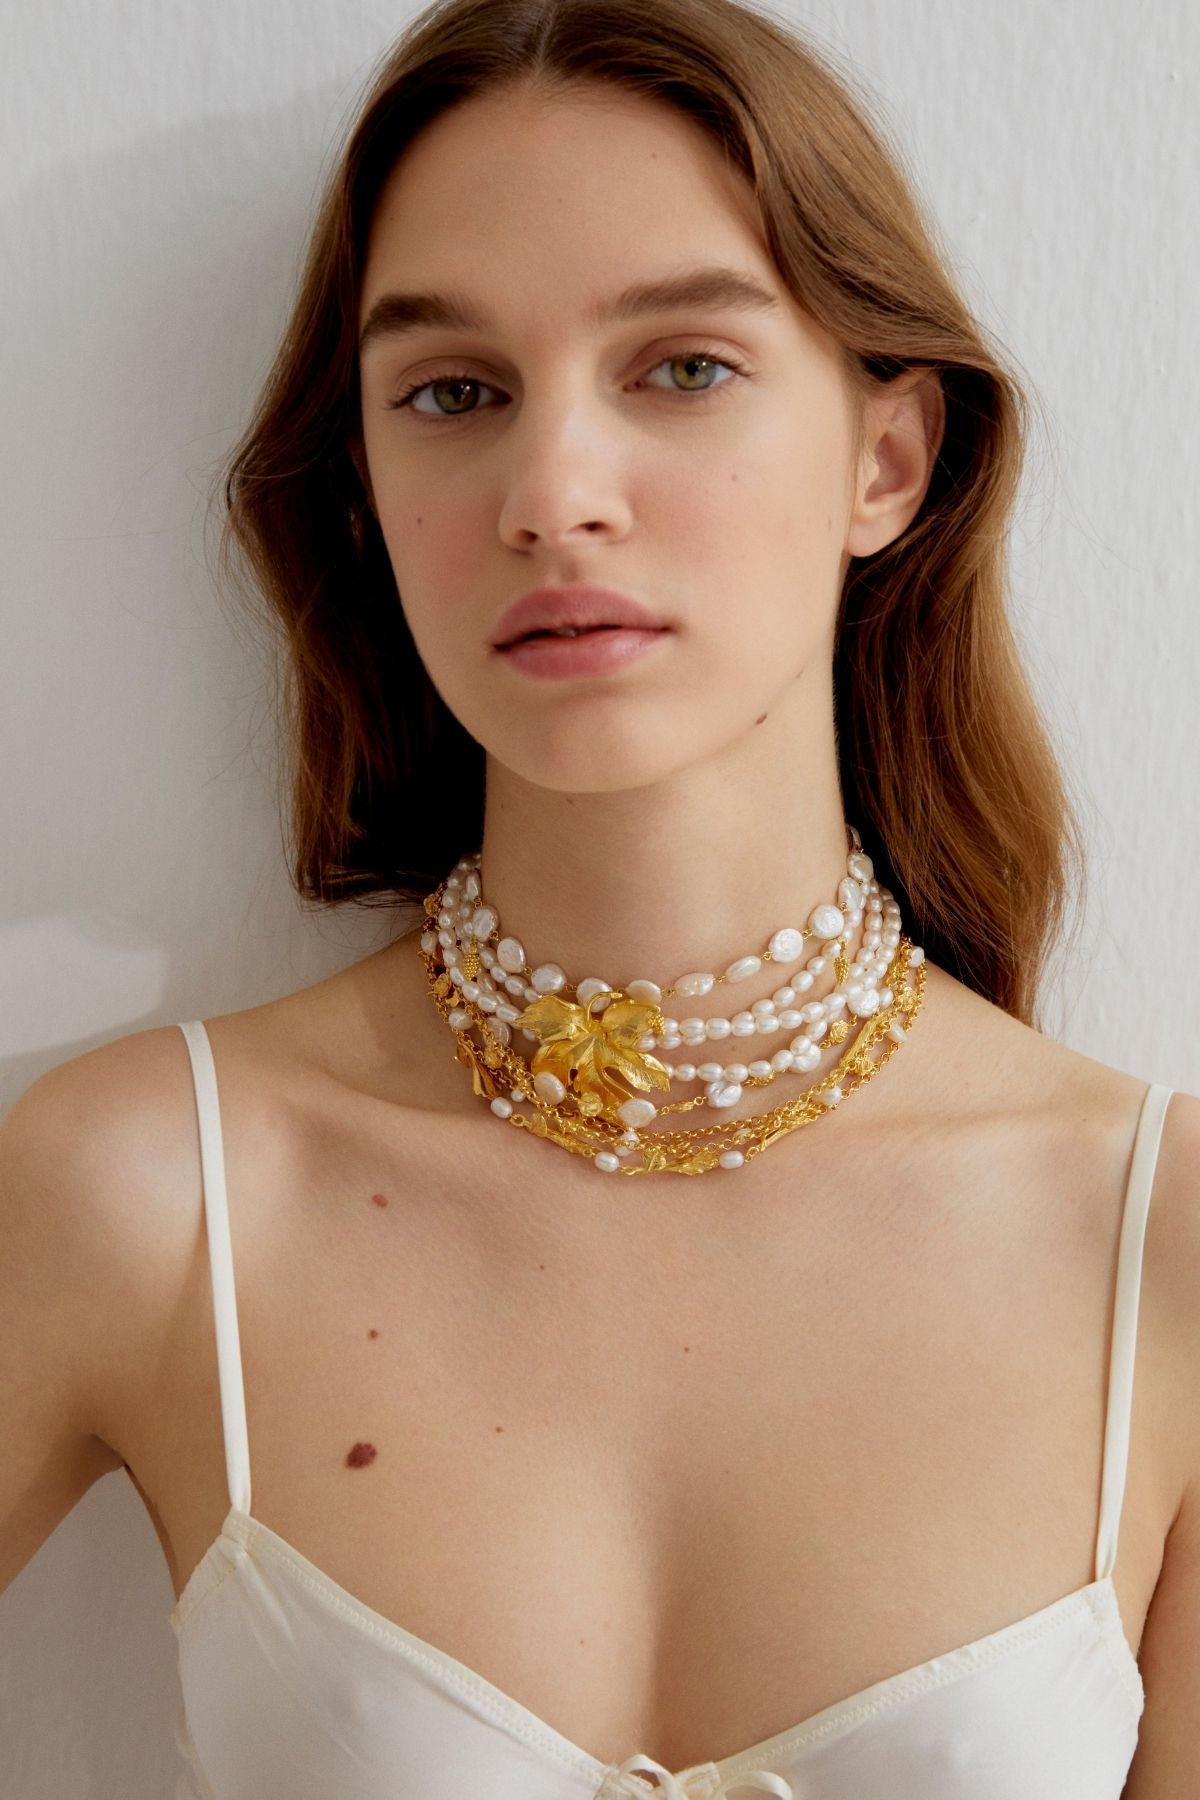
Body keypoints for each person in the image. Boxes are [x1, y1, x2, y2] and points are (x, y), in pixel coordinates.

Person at [2, 0, 1197, 1793]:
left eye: (684, 366)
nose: (551, 496)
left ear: (889, 459)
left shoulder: (1156, 1246)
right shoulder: (150, 1188)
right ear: (367, 494)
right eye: (453, 393)